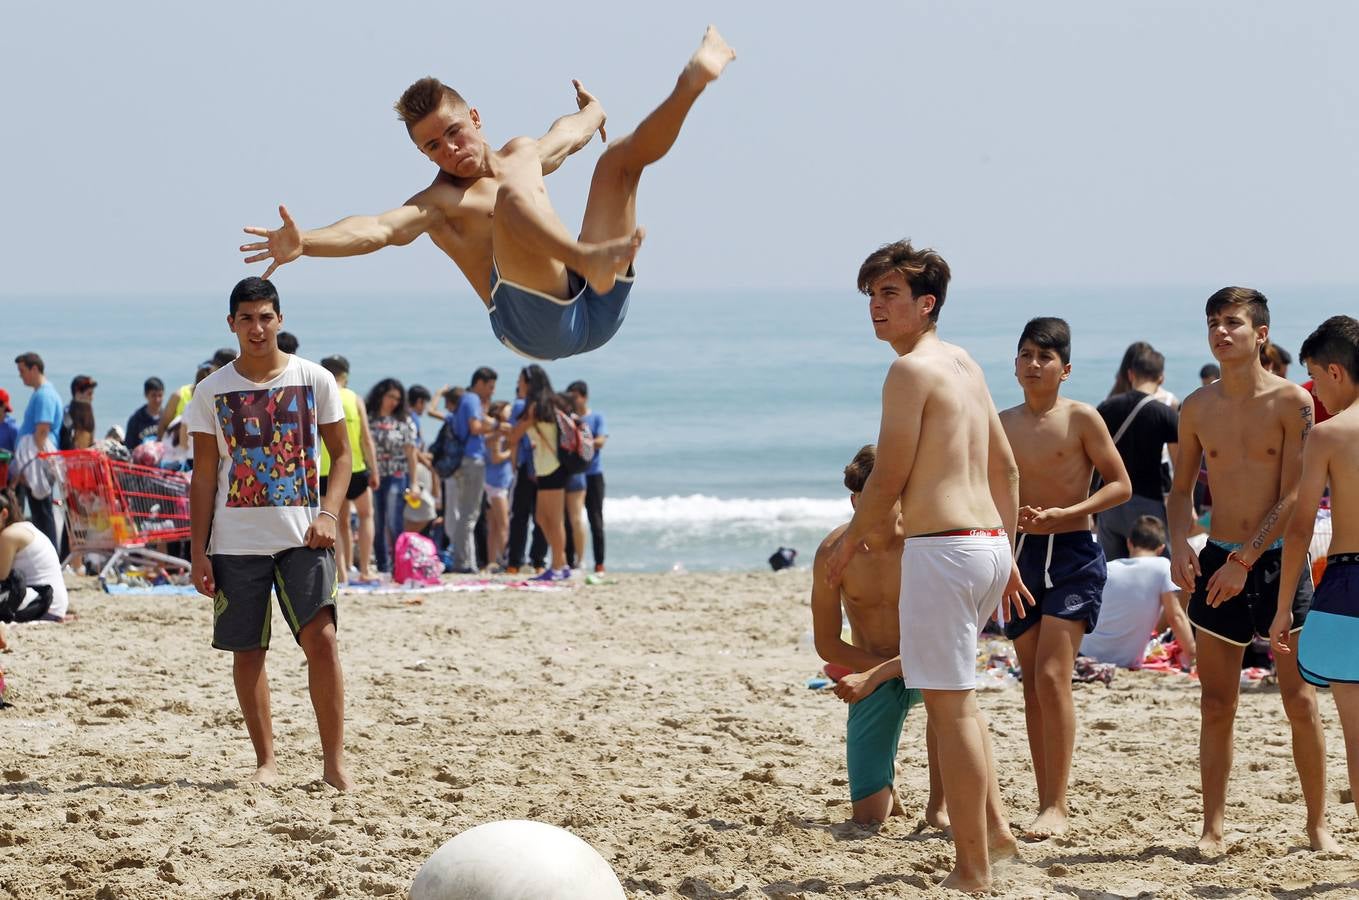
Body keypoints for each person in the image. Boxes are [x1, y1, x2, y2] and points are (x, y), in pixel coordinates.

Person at [240, 28, 735, 361]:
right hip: (535, 325)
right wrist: (307, 242)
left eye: (454, 133)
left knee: (616, 164)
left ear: (474, 118)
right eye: (432, 147)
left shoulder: (522, 154)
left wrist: (597, 111)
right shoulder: (440, 205)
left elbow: (574, 132)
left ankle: (692, 83)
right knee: (512, 201)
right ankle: (586, 255)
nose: (450, 151)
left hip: (598, 306)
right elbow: (375, 230)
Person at [824, 241, 1022, 892]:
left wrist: (852, 540)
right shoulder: (963, 364)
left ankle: (970, 871)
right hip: (986, 541)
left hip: (945, 547)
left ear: (924, 303)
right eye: (871, 296)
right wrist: (1008, 556)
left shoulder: (909, 372)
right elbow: (1005, 469)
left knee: (952, 711)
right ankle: (992, 834)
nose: (876, 307)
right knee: (957, 701)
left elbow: (887, 479)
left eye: (888, 295)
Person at [1167, 286, 1334, 855]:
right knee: (1217, 703)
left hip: (1278, 565)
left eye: (1233, 322)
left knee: (1300, 700)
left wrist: (1246, 559)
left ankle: (1317, 825)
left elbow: (1295, 494)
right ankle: (1212, 826)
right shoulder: (1195, 406)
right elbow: (1179, 490)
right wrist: (1177, 543)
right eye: (1213, 322)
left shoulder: (1295, 402)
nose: (1221, 331)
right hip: (1217, 560)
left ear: (1260, 333)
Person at [184, 277, 352, 790]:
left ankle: (334, 763)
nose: (257, 328)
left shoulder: (316, 379)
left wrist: (328, 514)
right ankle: (266, 761)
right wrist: (199, 552)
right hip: (235, 543)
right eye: (246, 318)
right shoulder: (212, 391)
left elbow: (342, 457)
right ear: (232, 324)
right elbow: (205, 476)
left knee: (321, 641)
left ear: (280, 319)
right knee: (248, 651)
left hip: (305, 538)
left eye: (265, 317)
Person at [998, 317, 1132, 839]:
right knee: (1033, 683)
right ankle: (1042, 797)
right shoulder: (1000, 423)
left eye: (1045, 357)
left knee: (1054, 676)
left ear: (1065, 368)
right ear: (1015, 364)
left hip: (1075, 551)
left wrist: (1068, 511)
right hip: (1020, 556)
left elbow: (1120, 485)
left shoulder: (1082, 419)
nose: (1034, 364)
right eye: (1026, 355)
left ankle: (1058, 803)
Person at [811, 444, 946, 827]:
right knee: (869, 819)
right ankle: (887, 784)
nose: (865, 508)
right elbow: (827, 643)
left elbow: (948, 631)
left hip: (931, 664)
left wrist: (898, 669)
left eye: (881, 498)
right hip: (872, 673)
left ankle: (939, 805)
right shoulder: (833, 553)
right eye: (859, 498)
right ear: (853, 500)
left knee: (946, 700)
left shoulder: (928, 543)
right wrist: (882, 672)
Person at [1272, 315, 1359, 824]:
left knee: (1355, 729)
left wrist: (1285, 607)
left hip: (1349, 581)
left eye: (1315, 376)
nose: (1316, 392)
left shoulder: (1330, 435)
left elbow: (1300, 529)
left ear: (1335, 371)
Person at [1096, 343, 1180, 560]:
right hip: (1147, 503)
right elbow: (1180, 464)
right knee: (1159, 568)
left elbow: (1091, 457)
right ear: (1161, 378)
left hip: (1110, 503)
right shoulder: (1164, 414)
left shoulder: (1106, 407)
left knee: (1111, 572)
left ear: (1131, 374)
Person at [1081, 515, 1196, 669]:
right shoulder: (1161, 566)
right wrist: (1192, 654)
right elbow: (1175, 617)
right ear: (1161, 548)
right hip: (1121, 662)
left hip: (1083, 651)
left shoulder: (1108, 568)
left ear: (1129, 543)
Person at [318, 356, 380, 585]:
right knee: (366, 516)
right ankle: (364, 569)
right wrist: (374, 470)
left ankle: (341, 573)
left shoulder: (319, 397)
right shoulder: (354, 398)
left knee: (337, 520)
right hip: (355, 467)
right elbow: (366, 438)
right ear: (346, 375)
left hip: (327, 470)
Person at [508, 366, 571, 581]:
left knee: (550, 519)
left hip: (551, 468)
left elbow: (514, 436)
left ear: (530, 382)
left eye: (521, 381)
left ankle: (558, 566)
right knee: (545, 518)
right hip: (549, 468)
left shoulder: (536, 408)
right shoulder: (550, 404)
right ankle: (560, 563)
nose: (519, 385)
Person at [444, 368, 498, 573]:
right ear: (481, 383)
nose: (492, 392)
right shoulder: (473, 399)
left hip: (462, 462)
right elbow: (475, 427)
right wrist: (495, 426)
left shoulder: (464, 400)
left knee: (465, 514)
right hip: (472, 461)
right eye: (490, 387)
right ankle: (463, 562)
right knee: (469, 514)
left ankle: (465, 561)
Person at [366, 378, 421, 574]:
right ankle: (383, 565)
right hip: (373, 477)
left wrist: (414, 483)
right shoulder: (369, 417)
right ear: (381, 395)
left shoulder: (404, 420)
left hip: (397, 475)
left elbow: (411, 453)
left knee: (394, 520)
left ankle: (399, 565)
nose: (394, 402)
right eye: (391, 396)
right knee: (377, 522)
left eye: (398, 398)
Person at [12, 353, 62, 547]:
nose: (21, 376)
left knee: (42, 513)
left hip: (38, 462)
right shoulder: (41, 393)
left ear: (34, 369)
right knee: (40, 512)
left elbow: (41, 432)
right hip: (37, 460)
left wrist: (33, 467)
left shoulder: (44, 395)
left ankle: (50, 554)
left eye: (22, 371)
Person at [0, 488, 70, 623]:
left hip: (41, 605)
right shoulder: (25, 527)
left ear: (4, 514)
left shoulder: (8, 535)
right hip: (54, 606)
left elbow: (1, 577)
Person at [567, 380, 608, 573]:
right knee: (571, 519)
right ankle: (572, 560)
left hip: (593, 474)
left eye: (575, 397)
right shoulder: (570, 419)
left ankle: (599, 562)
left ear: (584, 397)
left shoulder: (596, 417)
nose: (573, 401)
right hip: (574, 474)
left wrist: (583, 440)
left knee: (595, 519)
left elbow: (601, 440)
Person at [483, 401, 514, 569]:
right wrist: (511, 452)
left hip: (492, 481)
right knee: (503, 524)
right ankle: (504, 558)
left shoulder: (492, 432)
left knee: (494, 525)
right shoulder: (497, 433)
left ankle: (492, 561)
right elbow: (496, 458)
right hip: (497, 482)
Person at [124, 377, 165, 448]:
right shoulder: (136, 419)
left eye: (160, 395)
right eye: (153, 395)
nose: (157, 400)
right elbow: (129, 446)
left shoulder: (168, 417)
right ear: (146, 395)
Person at [59, 375, 97, 450]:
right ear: (78, 394)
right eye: (89, 394)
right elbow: (66, 443)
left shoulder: (89, 413)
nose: (92, 398)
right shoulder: (67, 415)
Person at [0, 390, 16, 487]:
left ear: (4, 407)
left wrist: (13, 485)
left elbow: (21, 457)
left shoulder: (12, 428)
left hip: (10, 480)